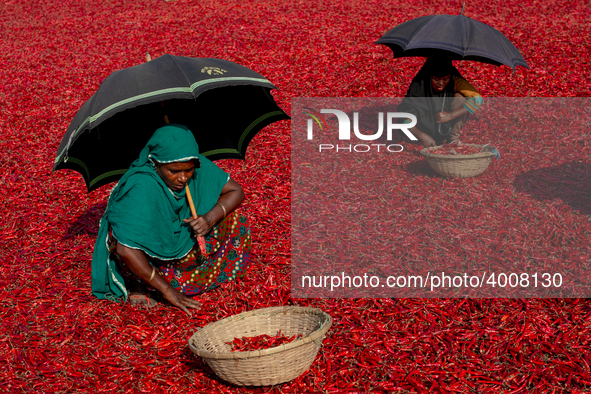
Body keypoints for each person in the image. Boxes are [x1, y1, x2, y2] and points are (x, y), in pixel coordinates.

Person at [91, 123, 251, 315]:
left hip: (179, 246)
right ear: (156, 163)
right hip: (148, 259)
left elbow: (236, 191)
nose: (183, 178)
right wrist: (168, 290)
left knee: (234, 219)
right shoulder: (141, 186)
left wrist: (208, 219)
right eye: (174, 171)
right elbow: (126, 249)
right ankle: (144, 284)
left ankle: (181, 279)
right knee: (122, 237)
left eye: (188, 170)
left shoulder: (194, 163)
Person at [398, 57, 483, 147]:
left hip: (446, 123)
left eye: (445, 79)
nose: (441, 84)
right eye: (436, 79)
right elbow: (405, 119)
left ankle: (452, 138)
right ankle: (421, 139)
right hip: (423, 129)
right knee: (411, 110)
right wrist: (422, 136)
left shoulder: (454, 80)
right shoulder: (419, 86)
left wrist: (450, 115)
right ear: (429, 77)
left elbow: (477, 99)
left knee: (460, 98)